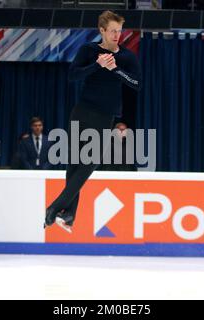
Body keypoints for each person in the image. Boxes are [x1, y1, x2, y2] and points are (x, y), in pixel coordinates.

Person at [45, 11, 142, 232]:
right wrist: (97, 65)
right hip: (82, 110)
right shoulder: (88, 50)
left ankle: (55, 207)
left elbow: (136, 84)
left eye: (119, 30)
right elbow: (73, 76)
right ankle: (68, 215)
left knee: (91, 160)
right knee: (74, 162)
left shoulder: (127, 57)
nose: (117, 35)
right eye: (113, 31)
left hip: (105, 115)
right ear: (102, 31)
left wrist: (114, 69)